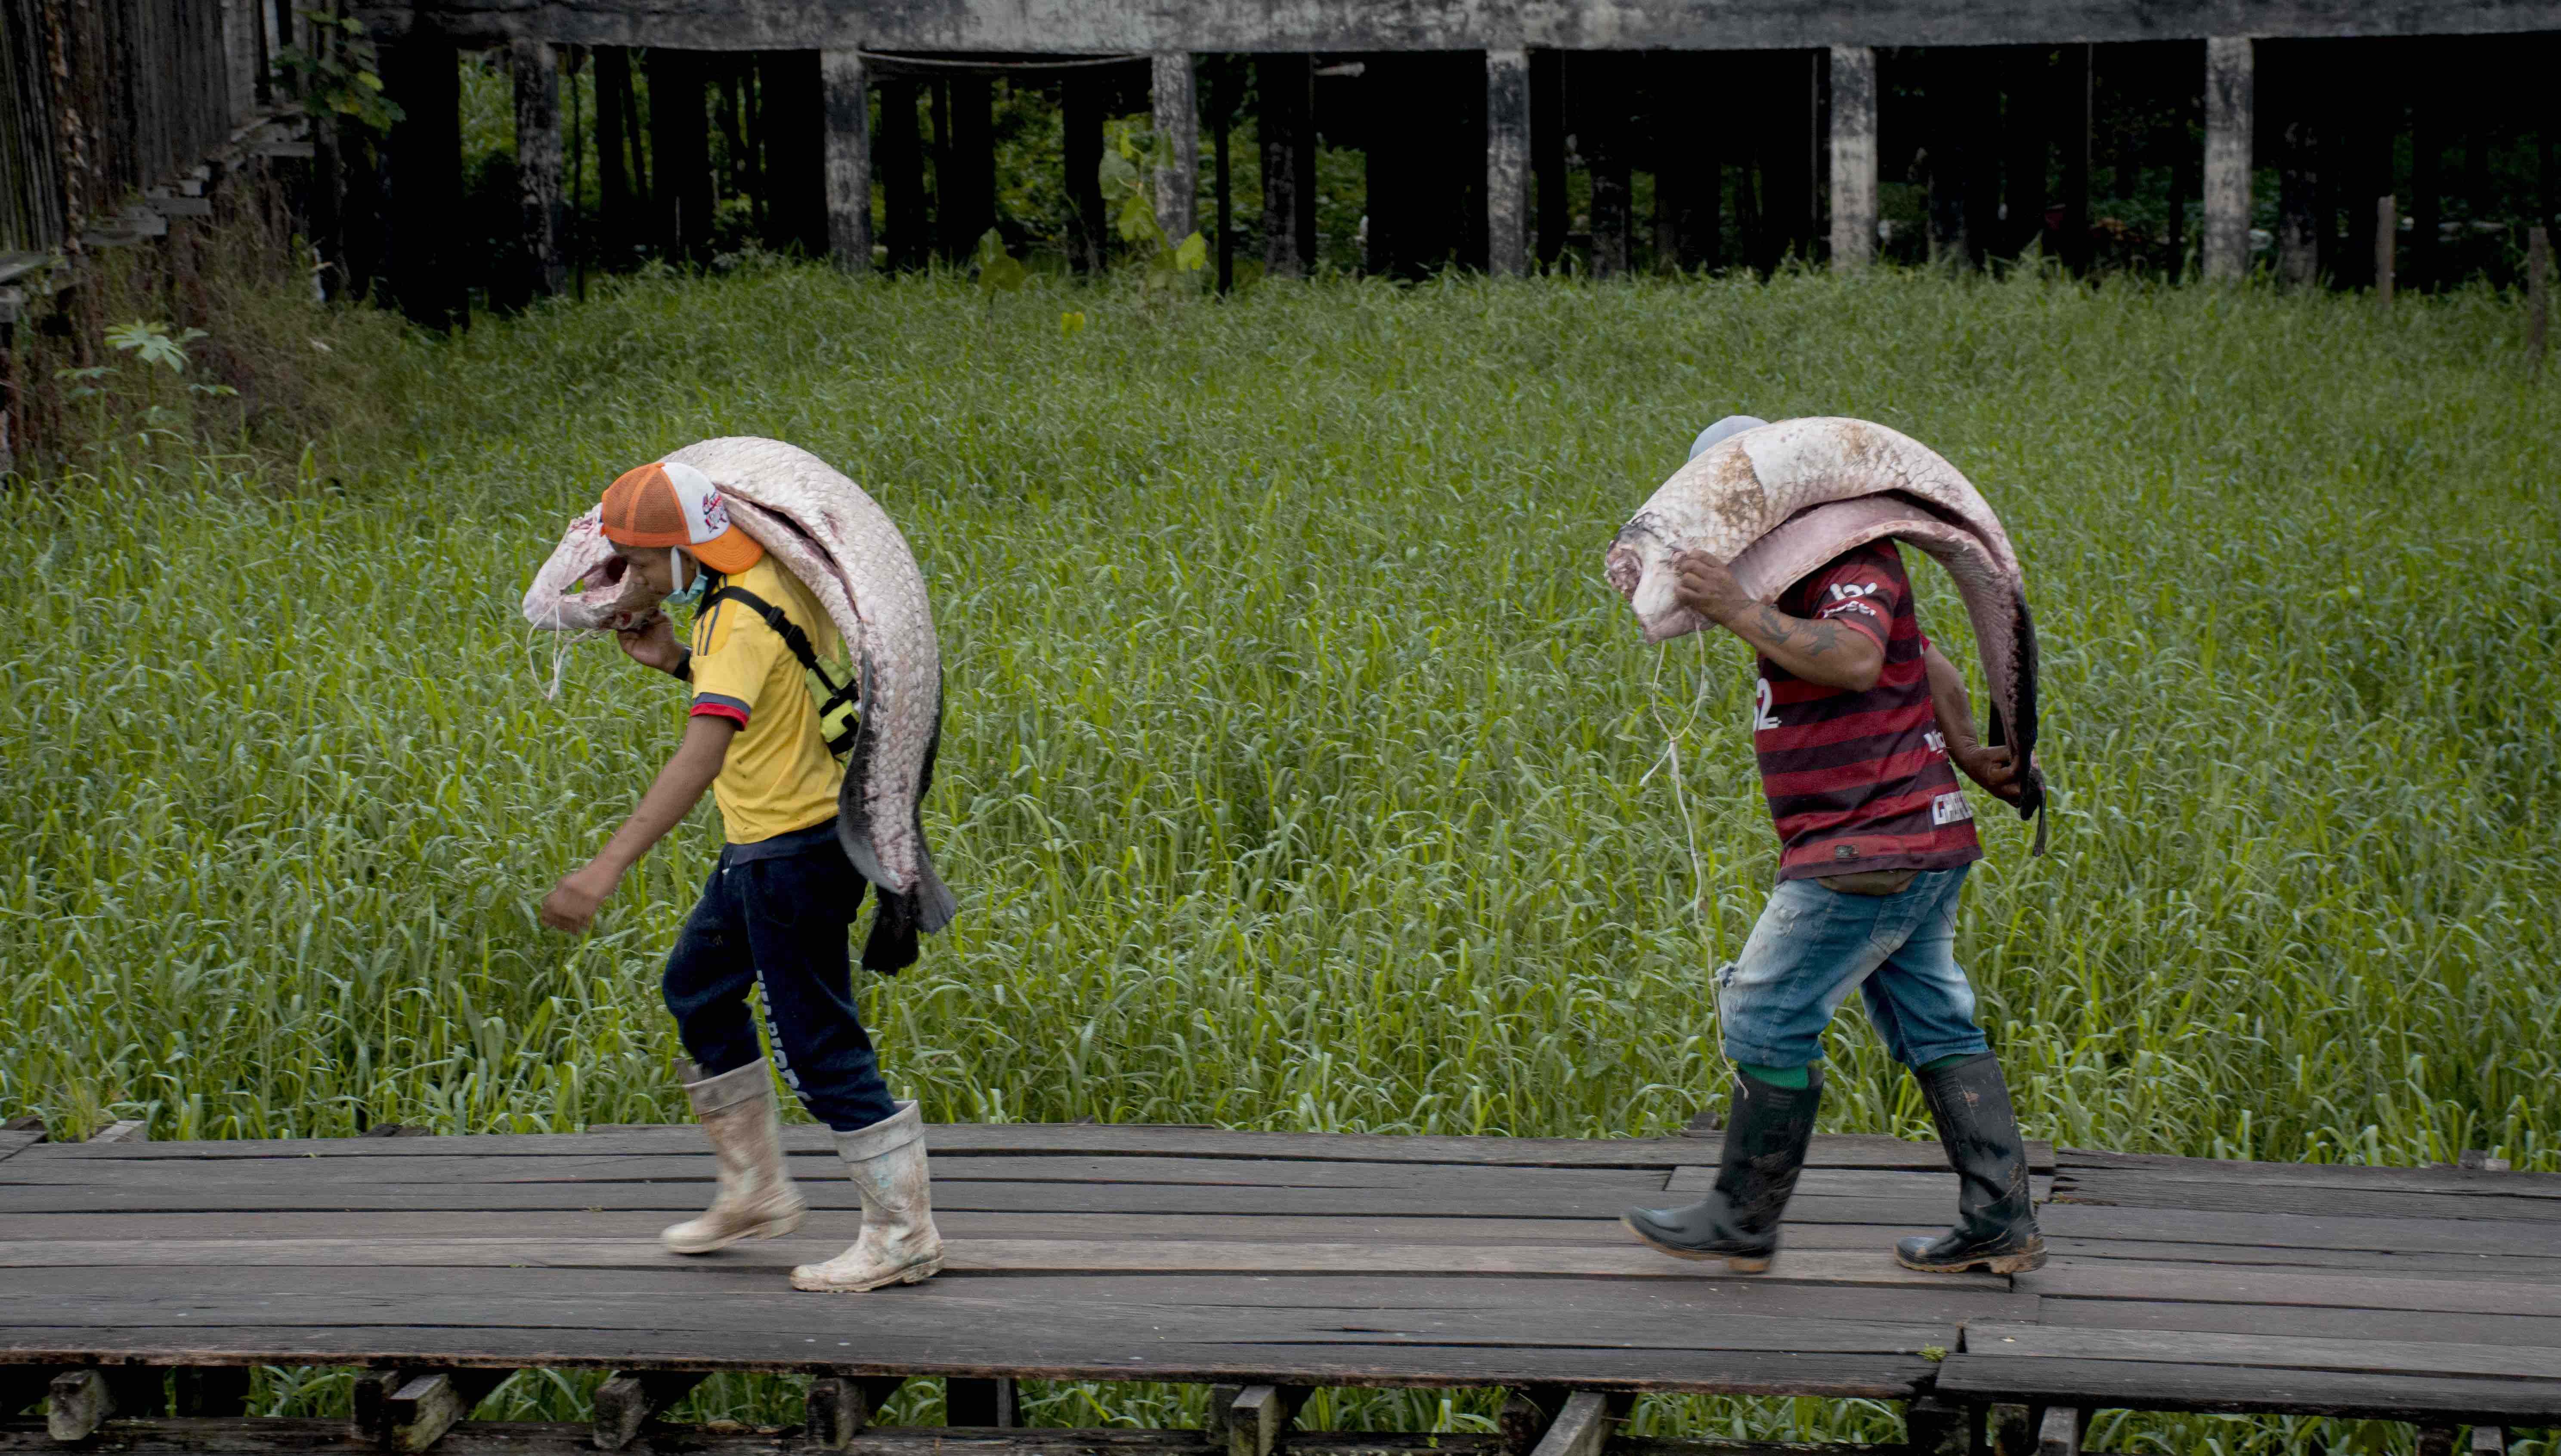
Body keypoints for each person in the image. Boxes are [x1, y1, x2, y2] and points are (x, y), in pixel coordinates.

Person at [1621, 416, 2046, 1276]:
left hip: (1866, 847)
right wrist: (1965, 747)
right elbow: (1918, 660)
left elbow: (1856, 660)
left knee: (1763, 1011)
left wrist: (1738, 609)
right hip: (1907, 840)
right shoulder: (1807, 573)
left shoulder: (1850, 563)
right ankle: (2000, 1222)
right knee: (1933, 1023)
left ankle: (1741, 1222)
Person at [538, 458, 943, 1294]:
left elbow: (701, 755)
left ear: (689, 549)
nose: (633, 578)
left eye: (643, 561)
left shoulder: (738, 622)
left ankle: (903, 1234)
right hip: (771, 846)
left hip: (789, 857)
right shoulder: (760, 576)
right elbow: (770, 695)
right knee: (696, 988)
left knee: (818, 1049)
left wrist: (605, 868)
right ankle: (755, 1190)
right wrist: (676, 662)